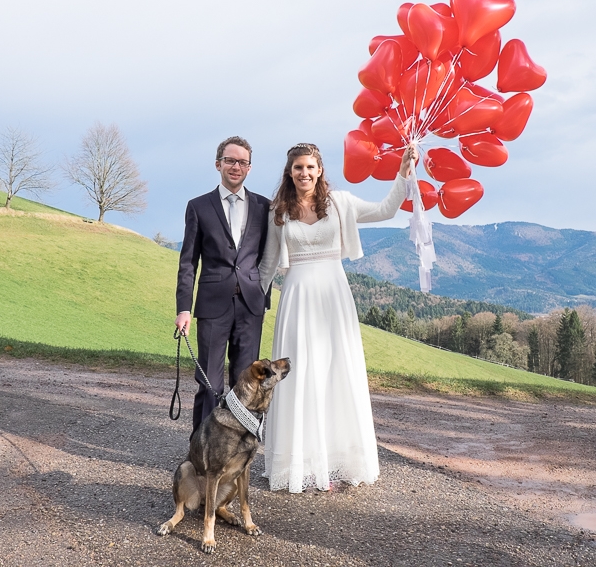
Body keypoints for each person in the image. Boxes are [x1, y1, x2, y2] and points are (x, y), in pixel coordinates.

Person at [258, 141, 416, 493]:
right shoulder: (278, 211)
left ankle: (335, 459)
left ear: (319, 170)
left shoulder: (340, 202)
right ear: (290, 172)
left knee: (334, 373)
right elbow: (269, 262)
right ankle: (299, 463)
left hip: (334, 298)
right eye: (298, 167)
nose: (304, 173)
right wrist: (250, 298)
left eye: (310, 167)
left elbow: (386, 210)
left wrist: (403, 171)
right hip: (297, 298)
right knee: (300, 377)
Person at [175, 136, 272, 435]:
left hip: (251, 307)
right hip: (212, 306)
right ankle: (201, 449)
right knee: (209, 382)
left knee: (247, 384)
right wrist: (183, 309)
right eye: (230, 160)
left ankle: (238, 451)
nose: (236, 166)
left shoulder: (263, 207)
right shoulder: (198, 207)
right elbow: (188, 262)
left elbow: (269, 257)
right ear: (218, 164)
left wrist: (263, 295)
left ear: (250, 168)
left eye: (242, 162)